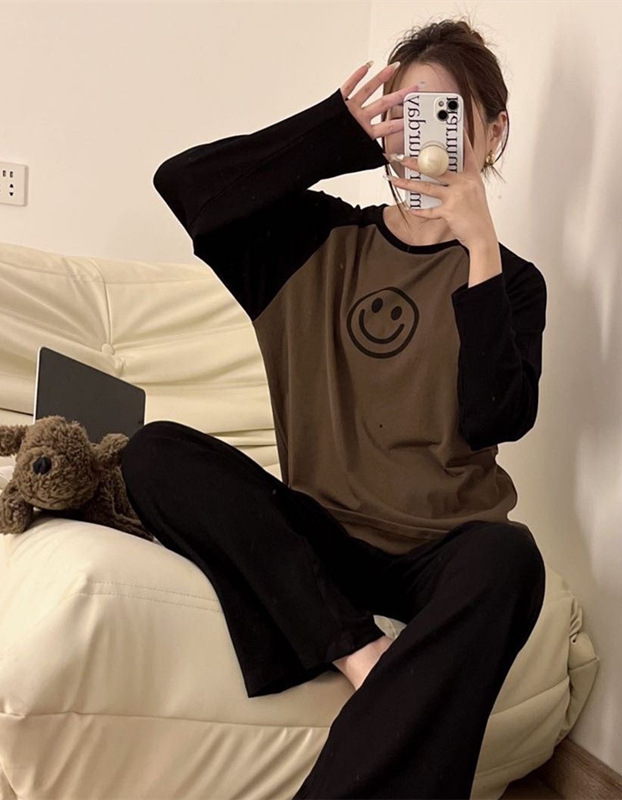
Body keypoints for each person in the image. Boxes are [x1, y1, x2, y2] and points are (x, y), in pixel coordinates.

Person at [121, 17, 548, 800]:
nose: (420, 138)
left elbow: (497, 418)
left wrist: (479, 248)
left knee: (511, 558)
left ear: (493, 134)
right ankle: (359, 653)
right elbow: (184, 184)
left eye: (445, 117)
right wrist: (330, 134)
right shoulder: (314, 241)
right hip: (320, 535)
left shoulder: (512, 281)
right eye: (404, 115)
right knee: (152, 454)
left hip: (438, 551)